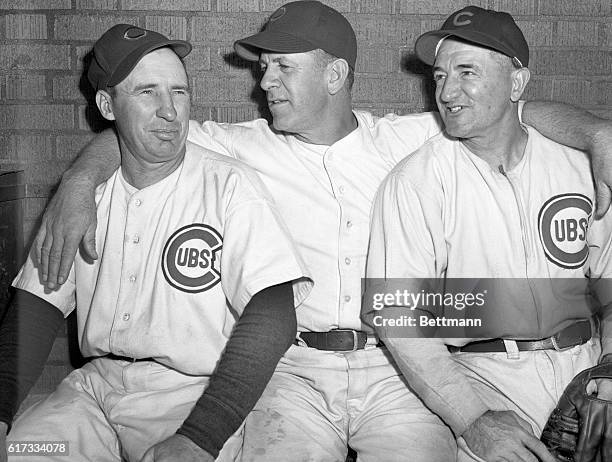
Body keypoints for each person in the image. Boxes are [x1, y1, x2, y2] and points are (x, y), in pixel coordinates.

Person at [29, 1, 612, 461]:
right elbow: (142, 131)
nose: (266, 83)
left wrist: (597, 135)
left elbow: (510, 111)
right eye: (263, 68)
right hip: (294, 369)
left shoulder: (406, 138)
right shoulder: (241, 145)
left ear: (335, 74)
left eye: (283, 66)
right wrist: (80, 182)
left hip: (395, 369)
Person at [0, 24, 312, 462]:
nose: (170, 111)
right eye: (147, 92)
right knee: (24, 452)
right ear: (108, 106)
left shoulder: (229, 185)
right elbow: (37, 306)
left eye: (179, 92)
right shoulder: (82, 199)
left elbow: (275, 313)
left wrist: (199, 438)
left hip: (191, 396)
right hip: (95, 389)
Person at [364, 6, 612, 462]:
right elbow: (397, 320)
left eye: (466, 72)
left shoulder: (578, 168)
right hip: (483, 377)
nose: (447, 91)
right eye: (439, 76)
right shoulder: (417, 180)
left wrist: (610, 370)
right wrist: (474, 421)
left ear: (517, 84)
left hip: (587, 364)